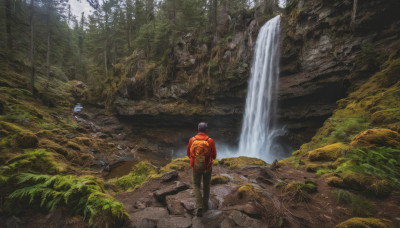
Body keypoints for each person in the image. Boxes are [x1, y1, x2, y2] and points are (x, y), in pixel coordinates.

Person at [187, 122, 217, 217]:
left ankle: (199, 206)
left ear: (198, 129)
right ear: (206, 130)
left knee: (196, 185)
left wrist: (195, 159)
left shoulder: (192, 140)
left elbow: (188, 153)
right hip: (207, 167)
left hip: (195, 167)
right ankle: (205, 205)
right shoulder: (210, 141)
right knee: (206, 185)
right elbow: (214, 156)